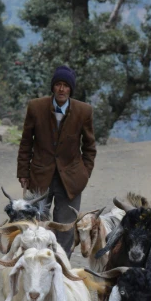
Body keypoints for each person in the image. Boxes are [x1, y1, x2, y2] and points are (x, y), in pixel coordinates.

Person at [16, 65, 96, 257]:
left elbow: (89, 147)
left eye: (66, 86)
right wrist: (23, 173)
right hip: (39, 176)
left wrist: (84, 174)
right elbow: (26, 142)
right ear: (53, 87)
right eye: (58, 85)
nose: (61, 89)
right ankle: (35, 262)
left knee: (65, 228)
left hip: (71, 179)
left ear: (71, 89)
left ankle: (61, 268)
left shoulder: (83, 111)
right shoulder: (36, 107)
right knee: (35, 225)